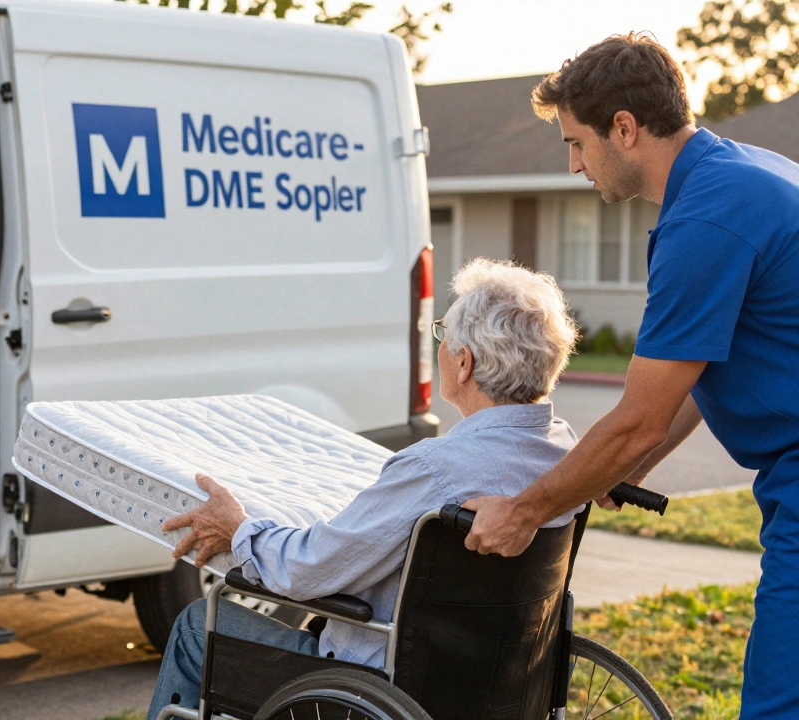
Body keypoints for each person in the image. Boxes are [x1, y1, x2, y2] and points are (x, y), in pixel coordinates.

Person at [460, 34, 799, 719]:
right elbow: (691, 381)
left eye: (577, 143)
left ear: (625, 128)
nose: (576, 165)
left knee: (778, 704)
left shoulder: (706, 219)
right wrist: (627, 466)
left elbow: (640, 415)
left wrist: (524, 511)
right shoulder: (743, 174)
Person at [147, 258, 580, 720]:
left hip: (382, 688)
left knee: (198, 624)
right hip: (501, 683)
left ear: (463, 363)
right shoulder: (567, 456)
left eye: (442, 337)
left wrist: (239, 531)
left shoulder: (436, 469)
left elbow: (310, 570)